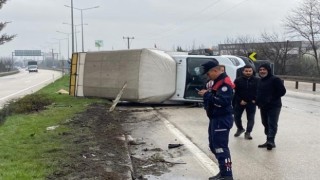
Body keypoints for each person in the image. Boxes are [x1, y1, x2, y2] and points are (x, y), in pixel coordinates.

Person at [198, 59, 235, 180]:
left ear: (214, 70)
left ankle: (227, 175)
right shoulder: (215, 82)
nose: (207, 77)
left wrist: (207, 95)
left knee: (221, 147)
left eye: (208, 74)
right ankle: (223, 171)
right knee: (213, 146)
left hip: (222, 118)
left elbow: (223, 101)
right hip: (215, 118)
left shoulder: (225, 83)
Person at [256, 63, 286, 150]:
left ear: (268, 70)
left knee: (272, 123)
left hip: (274, 106)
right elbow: (258, 92)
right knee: (264, 123)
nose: (262, 71)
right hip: (263, 106)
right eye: (260, 70)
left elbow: (282, 91)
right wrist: (257, 101)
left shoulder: (275, 79)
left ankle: (271, 141)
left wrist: (271, 98)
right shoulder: (260, 80)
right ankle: (268, 140)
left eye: (264, 69)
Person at [233, 65, 259, 140]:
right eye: (246, 71)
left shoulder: (257, 80)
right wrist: (240, 100)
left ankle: (248, 132)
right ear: (243, 71)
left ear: (252, 71)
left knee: (251, 118)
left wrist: (255, 99)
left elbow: (259, 91)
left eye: (250, 71)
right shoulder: (238, 80)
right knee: (236, 117)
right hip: (240, 102)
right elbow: (235, 92)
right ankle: (240, 128)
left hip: (251, 102)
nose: (248, 72)